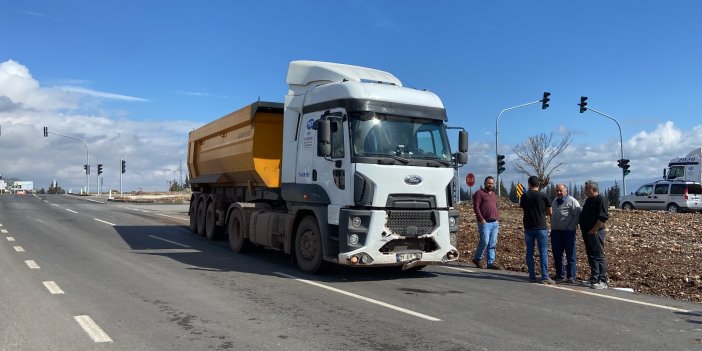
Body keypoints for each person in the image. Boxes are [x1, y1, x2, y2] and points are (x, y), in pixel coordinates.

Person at [519, 176, 553, 284]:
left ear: (529, 184)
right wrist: (543, 213)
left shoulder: (524, 196)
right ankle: (544, 277)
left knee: (530, 251)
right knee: (543, 252)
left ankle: (532, 276)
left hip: (529, 226)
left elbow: (524, 208)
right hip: (541, 226)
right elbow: (550, 212)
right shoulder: (544, 196)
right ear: (539, 185)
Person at [579, 180, 609, 289]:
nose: (585, 190)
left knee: (598, 255)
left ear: (593, 189)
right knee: (591, 255)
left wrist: (594, 229)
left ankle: (602, 280)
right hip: (587, 232)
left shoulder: (600, 199)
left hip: (596, 232)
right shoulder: (588, 200)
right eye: (585, 188)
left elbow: (603, 217)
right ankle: (594, 278)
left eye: (587, 188)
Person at [550, 184, 581, 284]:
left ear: (566, 191)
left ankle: (571, 276)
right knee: (557, 254)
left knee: (570, 254)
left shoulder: (572, 201)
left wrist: (570, 228)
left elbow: (577, 215)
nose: (559, 192)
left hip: (568, 232)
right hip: (556, 232)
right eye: (557, 191)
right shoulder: (554, 201)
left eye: (560, 191)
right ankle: (559, 274)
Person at [471, 176, 501, 269]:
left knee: (492, 243)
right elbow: (476, 207)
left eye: (492, 183)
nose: (490, 185)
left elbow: (496, 206)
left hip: (494, 223)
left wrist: (497, 218)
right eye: (488, 183)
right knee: (484, 241)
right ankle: (477, 258)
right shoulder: (479, 193)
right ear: (485, 183)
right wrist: (481, 219)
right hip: (484, 222)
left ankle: (490, 263)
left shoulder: (493, 194)